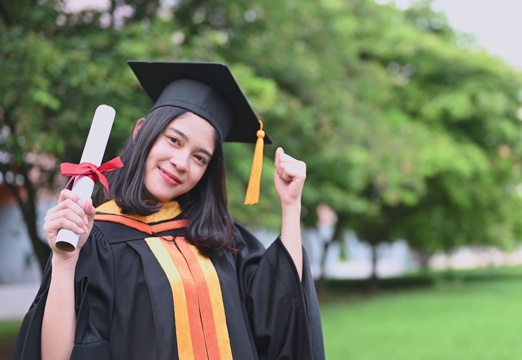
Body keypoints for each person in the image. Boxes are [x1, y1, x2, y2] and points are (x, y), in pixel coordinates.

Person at [13, 61, 325, 360]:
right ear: (141, 131)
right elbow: (58, 355)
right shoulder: (92, 239)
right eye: (174, 140)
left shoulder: (220, 241)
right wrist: (65, 261)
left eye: (200, 158)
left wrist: (290, 205)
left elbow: (284, 314)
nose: (181, 162)